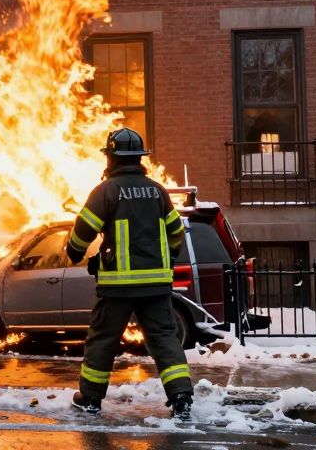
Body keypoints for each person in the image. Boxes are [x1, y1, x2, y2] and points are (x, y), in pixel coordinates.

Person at [64, 127, 193, 419]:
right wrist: (169, 257)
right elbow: (176, 232)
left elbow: (84, 229)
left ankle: (91, 398)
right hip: (156, 285)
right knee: (164, 337)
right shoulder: (158, 191)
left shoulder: (106, 191)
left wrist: (74, 251)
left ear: (111, 158)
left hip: (117, 286)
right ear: (139, 158)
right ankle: (181, 397)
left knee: (103, 339)